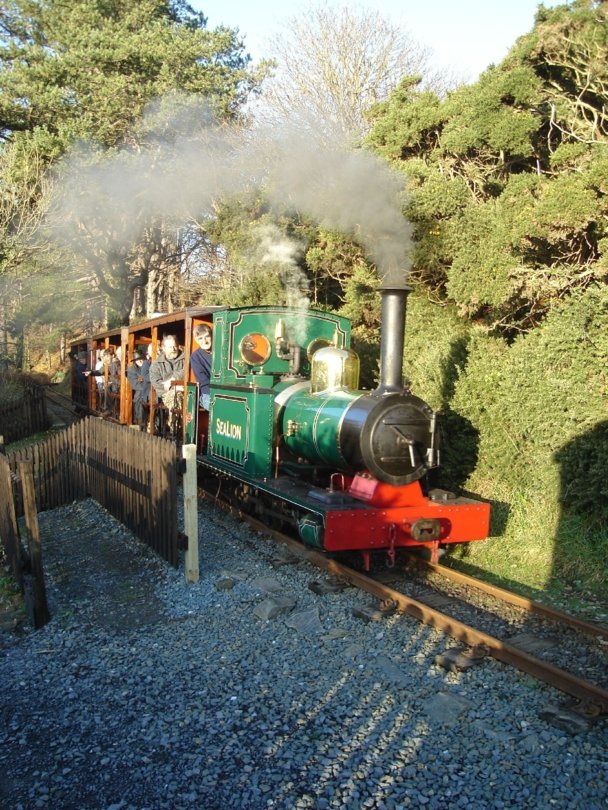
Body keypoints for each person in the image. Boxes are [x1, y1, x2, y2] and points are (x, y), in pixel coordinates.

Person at [149, 335, 185, 431]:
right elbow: (157, 385)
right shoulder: (156, 365)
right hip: (165, 396)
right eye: (170, 347)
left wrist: (173, 379)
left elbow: (188, 370)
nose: (173, 349)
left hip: (187, 392)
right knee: (175, 398)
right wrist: (175, 388)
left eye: (175, 346)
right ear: (163, 348)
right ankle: (175, 428)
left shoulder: (187, 359)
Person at [191, 323, 213, 410]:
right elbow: (203, 381)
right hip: (207, 393)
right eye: (200, 338)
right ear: (196, 340)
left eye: (207, 336)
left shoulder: (220, 349)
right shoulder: (195, 356)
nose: (204, 341)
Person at [126, 350, 150, 427]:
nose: (139, 361)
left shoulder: (149, 366)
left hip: (151, 391)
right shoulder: (131, 370)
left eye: (141, 358)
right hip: (142, 392)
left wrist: (143, 380)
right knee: (140, 396)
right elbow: (135, 384)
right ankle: (141, 421)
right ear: (135, 361)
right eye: (137, 359)